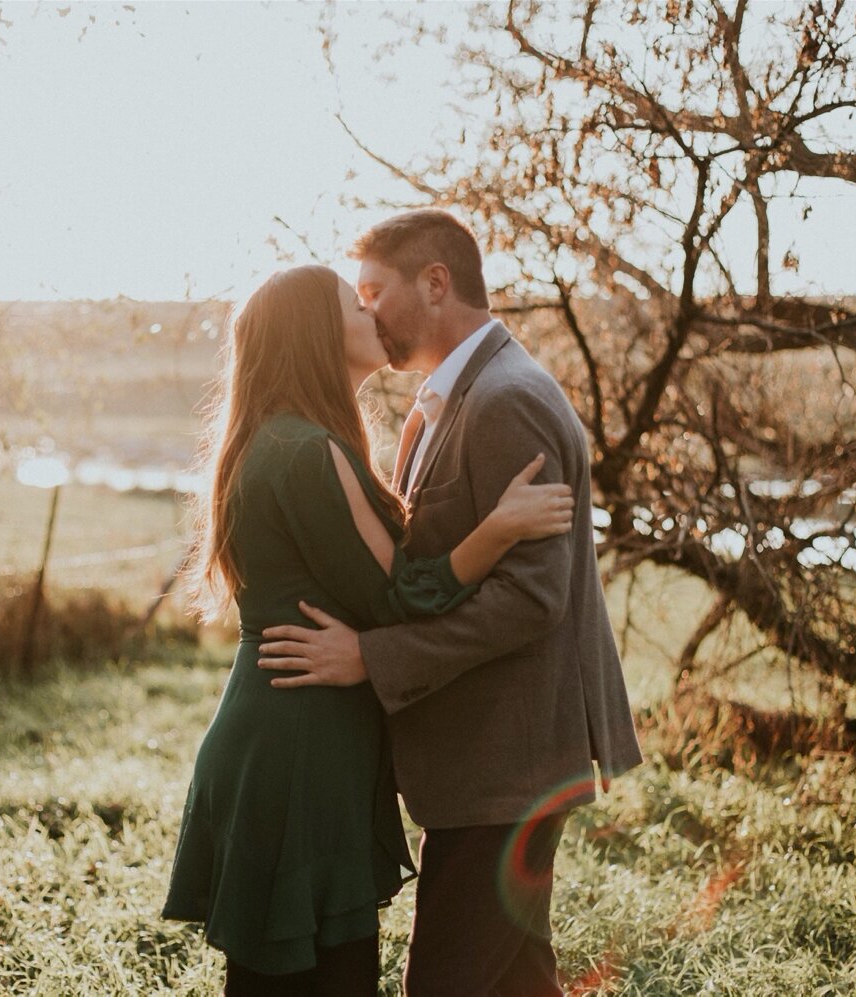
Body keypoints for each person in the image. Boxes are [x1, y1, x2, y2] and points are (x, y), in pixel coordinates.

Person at [160, 263, 576, 996]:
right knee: (317, 978)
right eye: (356, 304)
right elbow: (405, 595)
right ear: (317, 333)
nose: (373, 311)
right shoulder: (305, 452)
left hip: (289, 735)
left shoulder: (280, 440)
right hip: (300, 747)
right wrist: (498, 527)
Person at [257, 210, 645, 996]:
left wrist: (372, 657)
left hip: (509, 759)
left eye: (373, 290)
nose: (365, 312)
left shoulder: (505, 399)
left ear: (436, 283)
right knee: (516, 981)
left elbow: (532, 598)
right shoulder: (450, 399)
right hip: (490, 761)